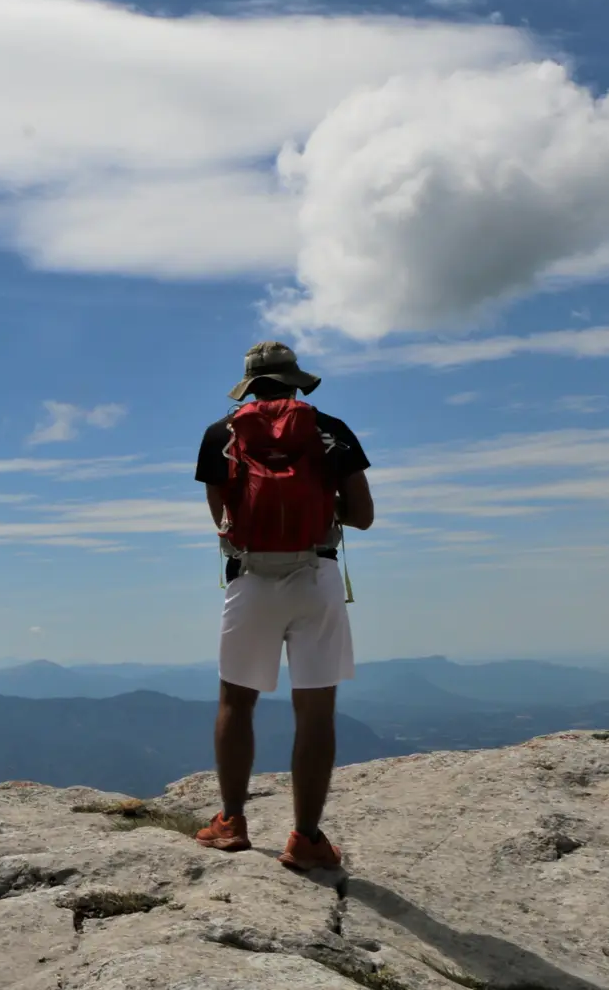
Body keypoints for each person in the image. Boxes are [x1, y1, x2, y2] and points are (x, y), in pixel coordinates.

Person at [191, 341, 374, 871]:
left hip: (250, 578)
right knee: (315, 711)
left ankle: (230, 823)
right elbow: (363, 515)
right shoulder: (331, 430)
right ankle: (306, 839)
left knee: (236, 701)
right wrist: (321, 501)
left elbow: (222, 519)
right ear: (295, 382)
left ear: (250, 385)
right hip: (316, 576)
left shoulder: (220, 435)